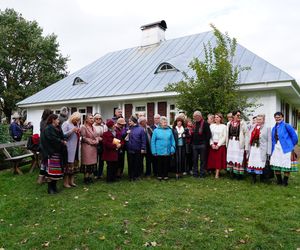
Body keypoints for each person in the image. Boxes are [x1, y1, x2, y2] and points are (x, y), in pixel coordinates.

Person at [40, 114, 66, 194]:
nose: (59, 121)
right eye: (57, 119)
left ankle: (54, 187)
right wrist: (61, 141)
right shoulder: (48, 129)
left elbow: (61, 136)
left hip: (57, 152)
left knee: (56, 172)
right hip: (50, 153)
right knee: (50, 172)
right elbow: (52, 139)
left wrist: (63, 139)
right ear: (53, 120)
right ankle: (50, 188)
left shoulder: (58, 128)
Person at [270, 112, 298, 186]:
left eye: (279, 117)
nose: (277, 118)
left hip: (286, 148)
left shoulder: (286, 126)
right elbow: (272, 139)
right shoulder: (274, 128)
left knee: (286, 164)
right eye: (276, 117)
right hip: (276, 148)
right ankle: (279, 181)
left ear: (282, 117)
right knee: (276, 164)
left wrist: (291, 145)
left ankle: (285, 182)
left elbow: (294, 137)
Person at [246, 114, 271, 183]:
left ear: (263, 120)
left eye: (260, 119)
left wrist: (268, 152)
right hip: (253, 147)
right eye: (257, 119)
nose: (258, 121)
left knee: (260, 162)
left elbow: (269, 140)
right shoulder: (253, 126)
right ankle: (253, 178)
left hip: (262, 148)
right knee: (253, 162)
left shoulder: (267, 128)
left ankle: (262, 178)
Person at [151, 116, 176, 181]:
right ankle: (159, 175)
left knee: (166, 163)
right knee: (159, 164)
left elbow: (172, 140)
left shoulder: (169, 130)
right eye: (164, 122)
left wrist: (172, 148)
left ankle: (165, 175)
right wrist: (154, 151)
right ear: (160, 123)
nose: (165, 124)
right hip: (158, 151)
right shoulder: (156, 131)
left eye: (166, 122)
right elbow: (153, 141)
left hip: (167, 150)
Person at [226, 110, 248, 179]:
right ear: (233, 116)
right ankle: (232, 173)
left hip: (238, 142)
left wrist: (246, 144)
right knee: (231, 158)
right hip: (231, 142)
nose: (239, 116)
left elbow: (246, 134)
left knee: (238, 158)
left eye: (239, 115)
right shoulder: (229, 123)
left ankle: (239, 174)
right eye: (237, 115)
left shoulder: (242, 123)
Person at [62, 112, 81, 188]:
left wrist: (78, 131)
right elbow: (63, 135)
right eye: (76, 119)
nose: (77, 121)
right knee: (68, 165)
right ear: (73, 118)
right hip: (69, 147)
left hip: (76, 146)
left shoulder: (76, 124)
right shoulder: (66, 124)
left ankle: (72, 181)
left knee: (74, 164)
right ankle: (66, 182)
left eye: (78, 120)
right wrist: (72, 130)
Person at [124, 115, 146, 181]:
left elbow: (143, 140)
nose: (129, 122)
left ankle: (137, 176)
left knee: (137, 163)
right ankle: (131, 176)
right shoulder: (128, 128)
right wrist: (126, 133)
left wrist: (143, 148)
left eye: (130, 121)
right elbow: (123, 135)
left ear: (134, 121)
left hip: (137, 149)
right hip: (129, 149)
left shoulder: (141, 129)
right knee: (130, 163)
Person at [191, 111, 212, 178]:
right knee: (195, 159)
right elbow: (192, 134)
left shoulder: (205, 124)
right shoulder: (194, 124)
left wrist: (205, 143)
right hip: (194, 145)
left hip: (202, 145)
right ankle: (195, 173)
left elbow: (208, 135)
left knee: (203, 160)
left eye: (195, 116)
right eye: (193, 116)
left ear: (199, 116)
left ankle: (202, 173)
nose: (194, 117)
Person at [80, 114, 99, 184]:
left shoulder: (93, 127)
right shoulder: (83, 127)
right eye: (90, 118)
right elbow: (84, 138)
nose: (92, 120)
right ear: (86, 119)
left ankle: (90, 177)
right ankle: (86, 178)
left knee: (92, 163)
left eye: (92, 118)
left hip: (94, 148)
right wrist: (93, 142)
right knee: (87, 163)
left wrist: (97, 140)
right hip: (87, 148)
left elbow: (96, 135)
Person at [207, 113, 227, 178]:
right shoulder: (211, 126)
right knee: (213, 159)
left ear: (221, 118)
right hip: (213, 144)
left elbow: (224, 137)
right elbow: (210, 136)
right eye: (215, 117)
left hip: (220, 145)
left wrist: (218, 145)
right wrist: (211, 143)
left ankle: (217, 174)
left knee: (218, 160)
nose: (216, 118)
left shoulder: (224, 126)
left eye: (218, 117)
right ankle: (213, 171)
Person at [37, 109, 53, 184]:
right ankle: (45, 177)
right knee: (46, 161)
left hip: (42, 142)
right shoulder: (47, 123)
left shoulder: (41, 121)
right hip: (46, 143)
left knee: (44, 161)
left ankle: (41, 178)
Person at [93, 113, 107, 179]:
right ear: (94, 119)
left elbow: (106, 134)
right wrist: (97, 138)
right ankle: (95, 173)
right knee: (95, 160)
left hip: (102, 144)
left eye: (100, 118)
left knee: (102, 159)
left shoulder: (104, 126)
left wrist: (103, 138)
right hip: (95, 144)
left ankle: (100, 173)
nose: (98, 120)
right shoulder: (92, 126)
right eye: (97, 118)